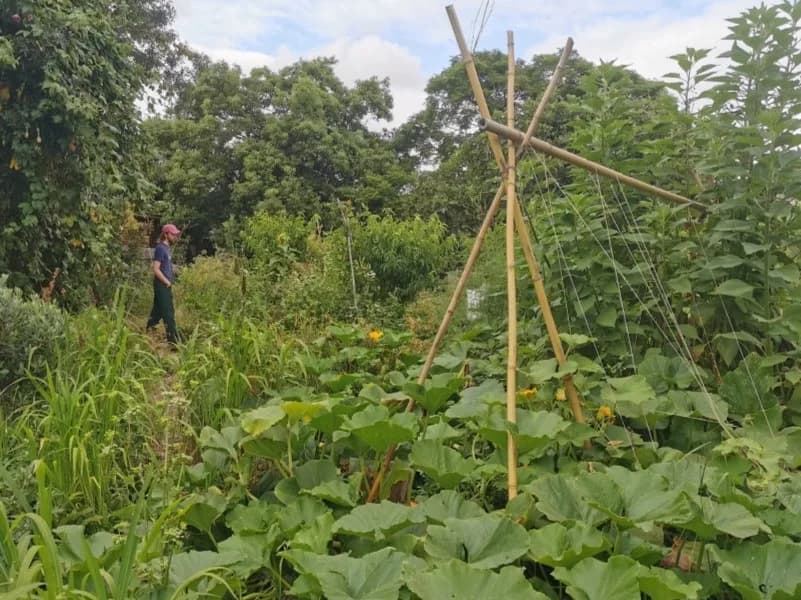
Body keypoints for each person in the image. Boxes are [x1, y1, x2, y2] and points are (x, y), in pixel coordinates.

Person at [146, 223, 181, 345]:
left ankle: (149, 331)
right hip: (162, 285)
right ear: (166, 234)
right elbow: (155, 269)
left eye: (176, 234)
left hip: (165, 285)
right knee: (168, 312)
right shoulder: (160, 248)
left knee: (157, 311)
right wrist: (167, 282)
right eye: (173, 234)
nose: (175, 236)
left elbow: (165, 267)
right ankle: (174, 342)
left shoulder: (166, 248)